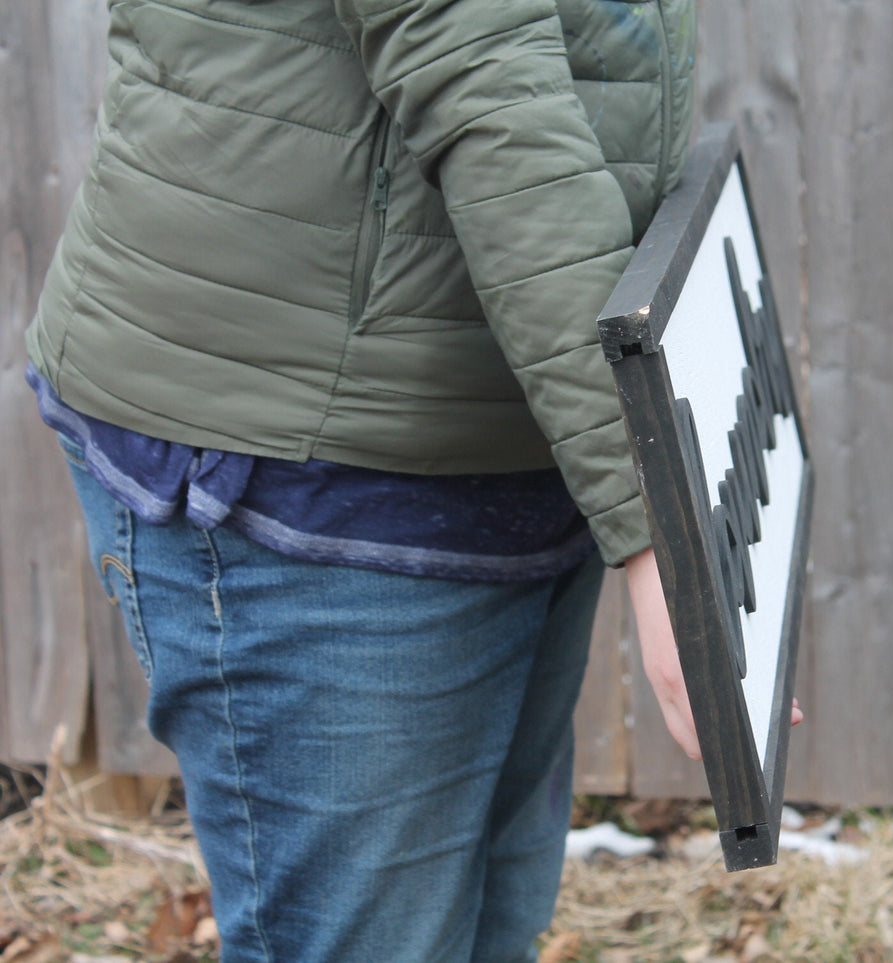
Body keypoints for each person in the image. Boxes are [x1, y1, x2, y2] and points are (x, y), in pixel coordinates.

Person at [26, 0, 711, 959]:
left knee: (488, 925)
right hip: (312, 459)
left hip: (522, 417)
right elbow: (482, 77)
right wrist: (653, 518)